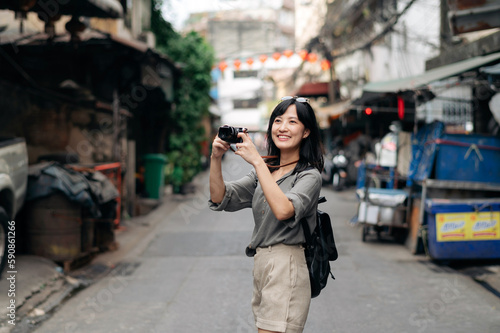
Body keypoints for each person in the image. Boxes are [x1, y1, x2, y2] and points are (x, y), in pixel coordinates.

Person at [208, 96, 324, 333]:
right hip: (262, 264)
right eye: (278, 120)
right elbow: (221, 197)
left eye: (292, 122)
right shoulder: (268, 170)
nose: (282, 128)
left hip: (287, 263)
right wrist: (216, 158)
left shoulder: (309, 176)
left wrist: (257, 163)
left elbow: (284, 210)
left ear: (305, 132)